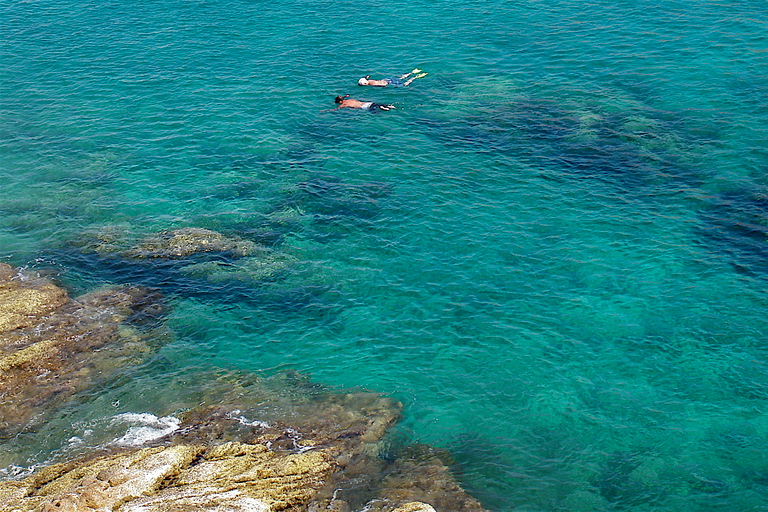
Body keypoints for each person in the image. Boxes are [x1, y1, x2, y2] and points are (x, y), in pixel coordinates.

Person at [358, 68, 428, 87]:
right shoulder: (369, 80)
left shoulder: (372, 84)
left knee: (405, 84)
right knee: (401, 78)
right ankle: (411, 73)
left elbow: (382, 85)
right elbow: (366, 77)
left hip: (388, 82)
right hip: (387, 79)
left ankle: (414, 77)